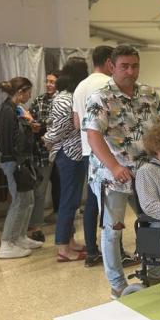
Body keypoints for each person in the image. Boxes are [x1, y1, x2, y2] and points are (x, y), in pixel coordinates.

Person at [83, 45, 160, 299]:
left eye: (135, 66)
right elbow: (93, 137)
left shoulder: (149, 94)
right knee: (113, 230)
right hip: (113, 176)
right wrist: (115, 166)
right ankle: (117, 284)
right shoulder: (100, 98)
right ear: (112, 66)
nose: (130, 71)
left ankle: (155, 272)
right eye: (124, 66)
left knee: (152, 223)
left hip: (146, 174)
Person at [44, 59, 89, 262]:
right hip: (68, 153)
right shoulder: (65, 98)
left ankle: (69, 240)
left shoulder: (70, 95)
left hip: (74, 152)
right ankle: (63, 247)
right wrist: (47, 139)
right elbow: (61, 128)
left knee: (72, 199)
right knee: (68, 200)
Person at [72, 45, 113, 268]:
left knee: (93, 203)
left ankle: (91, 251)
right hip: (108, 151)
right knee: (112, 201)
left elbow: (76, 123)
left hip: (88, 150)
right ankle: (114, 251)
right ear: (109, 62)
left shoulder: (80, 87)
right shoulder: (109, 83)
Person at [0, 76, 44, 259]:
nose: (30, 96)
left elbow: (20, 135)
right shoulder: (6, 111)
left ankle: (19, 237)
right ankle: (6, 243)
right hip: (14, 162)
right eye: (28, 92)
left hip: (22, 160)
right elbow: (9, 142)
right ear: (20, 91)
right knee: (18, 201)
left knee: (28, 200)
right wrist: (18, 164)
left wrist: (29, 124)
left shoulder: (16, 109)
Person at [28, 70, 60, 242]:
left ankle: (38, 225)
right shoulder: (39, 100)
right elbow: (30, 118)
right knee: (38, 188)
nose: (49, 84)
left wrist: (40, 126)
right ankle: (34, 224)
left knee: (56, 187)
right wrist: (32, 123)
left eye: (52, 82)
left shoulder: (62, 101)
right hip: (39, 151)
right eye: (47, 81)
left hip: (57, 151)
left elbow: (55, 125)